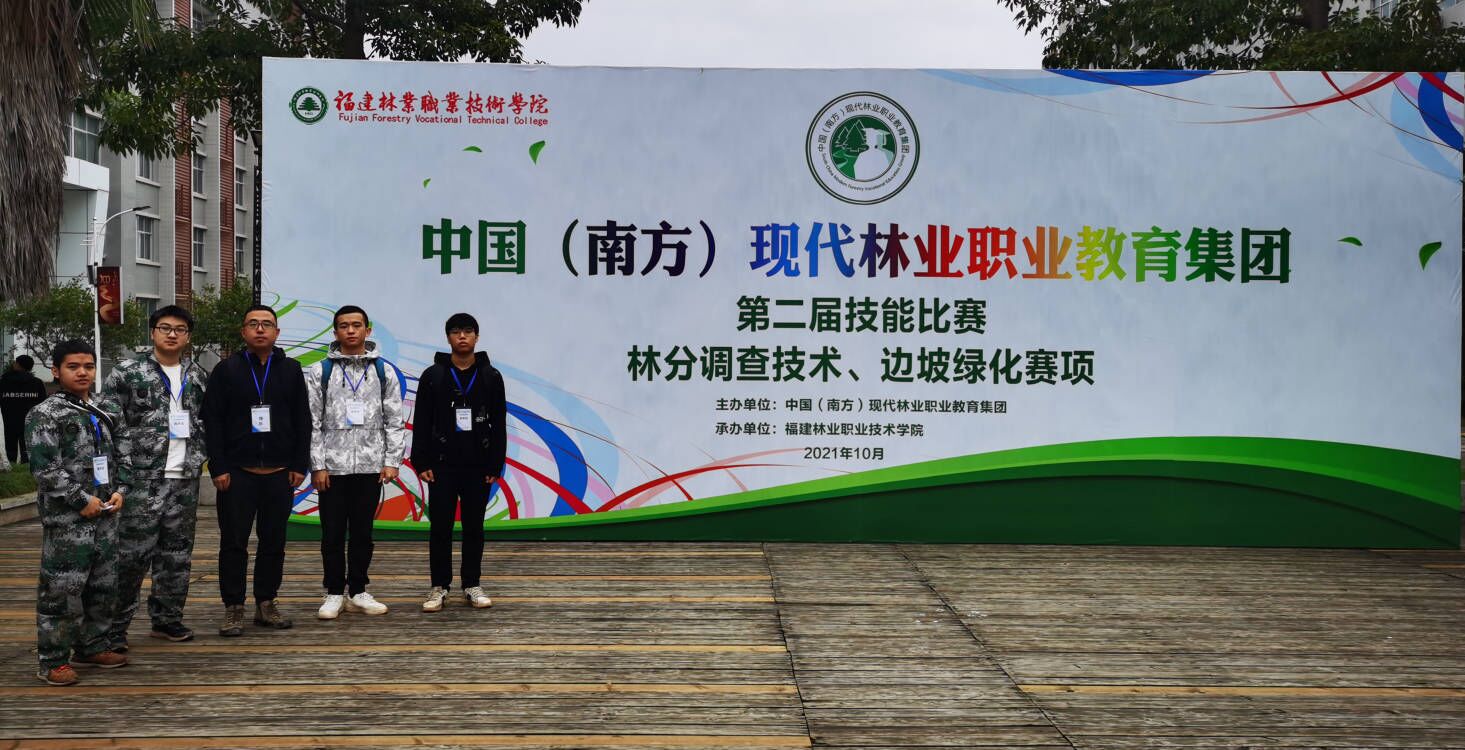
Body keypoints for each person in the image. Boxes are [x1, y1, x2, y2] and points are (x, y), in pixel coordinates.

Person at [103, 305, 209, 650]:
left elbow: (206, 420)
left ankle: (167, 619)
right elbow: (109, 424)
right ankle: (113, 629)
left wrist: (201, 455)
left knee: (176, 555)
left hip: (184, 479)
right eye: (165, 328)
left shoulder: (198, 375)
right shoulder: (127, 372)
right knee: (131, 557)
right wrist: (120, 473)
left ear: (188, 337)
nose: (172, 334)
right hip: (141, 480)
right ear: (152, 333)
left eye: (180, 329)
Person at [203, 305, 310, 636]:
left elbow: (302, 419)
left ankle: (266, 602)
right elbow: (213, 421)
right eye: (253, 324)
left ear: (277, 332)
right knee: (233, 543)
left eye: (267, 324)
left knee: (273, 542)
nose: (260, 329)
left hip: (280, 473)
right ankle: (233, 606)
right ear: (243, 332)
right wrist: (218, 466)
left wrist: (299, 464)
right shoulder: (226, 370)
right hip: (237, 474)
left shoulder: (291, 369)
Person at [26, 340, 126, 685]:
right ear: (56, 371)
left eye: (88, 366)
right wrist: (81, 500)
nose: (82, 372)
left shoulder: (104, 408)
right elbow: (45, 470)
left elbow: (123, 453)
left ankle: (92, 645)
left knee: (103, 585)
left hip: (106, 514)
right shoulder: (44, 414)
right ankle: (53, 660)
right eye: (73, 366)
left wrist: (120, 490)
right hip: (68, 519)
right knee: (61, 590)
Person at [305, 305, 406, 619]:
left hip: (370, 467)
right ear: (335, 331)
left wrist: (391, 461)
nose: (350, 331)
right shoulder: (320, 371)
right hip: (332, 469)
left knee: (363, 533)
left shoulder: (383, 371)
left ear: (367, 329)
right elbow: (312, 423)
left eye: (356, 325)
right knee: (332, 534)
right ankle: (334, 592)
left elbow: (394, 420)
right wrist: (318, 465)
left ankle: (359, 590)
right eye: (344, 326)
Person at [409, 313, 506, 613]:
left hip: (478, 466)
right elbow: (421, 421)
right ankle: (439, 586)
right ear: (447, 337)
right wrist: (420, 461)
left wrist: (495, 465)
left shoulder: (491, 376)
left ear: (477, 336)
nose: (462, 336)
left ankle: (472, 584)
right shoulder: (433, 375)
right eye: (455, 331)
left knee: (474, 527)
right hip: (441, 466)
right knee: (440, 527)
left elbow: (499, 424)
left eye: (467, 331)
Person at [2, 355, 49, 464]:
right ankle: (27, 459)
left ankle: (10, 460)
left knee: (9, 440)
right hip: (30, 419)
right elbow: (43, 403)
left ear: (17, 365)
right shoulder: (37, 383)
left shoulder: (4, 381)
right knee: (28, 441)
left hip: (8, 417)